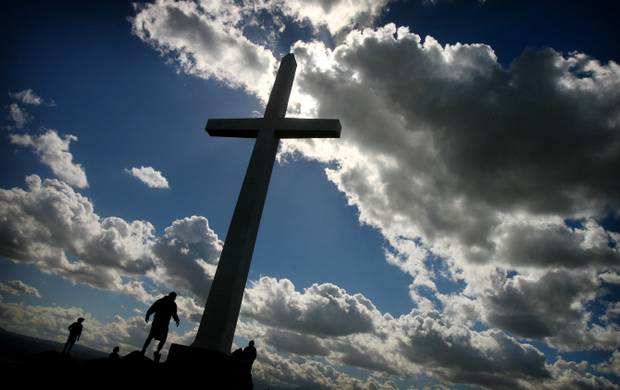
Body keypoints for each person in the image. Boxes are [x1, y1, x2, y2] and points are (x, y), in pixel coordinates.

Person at [141, 292, 179, 360]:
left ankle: (155, 351)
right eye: (174, 297)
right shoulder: (163, 301)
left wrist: (177, 320)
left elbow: (174, 314)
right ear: (171, 296)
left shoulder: (172, 304)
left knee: (161, 339)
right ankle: (145, 350)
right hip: (159, 322)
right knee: (152, 337)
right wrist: (148, 315)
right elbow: (153, 308)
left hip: (163, 323)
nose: (174, 298)